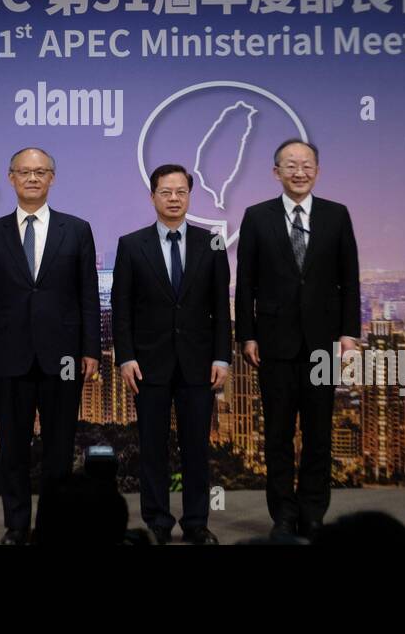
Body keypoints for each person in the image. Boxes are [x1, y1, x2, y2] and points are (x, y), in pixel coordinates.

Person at [0, 147, 102, 544]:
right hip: (8, 356)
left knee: (59, 449)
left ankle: (51, 525)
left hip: (63, 357)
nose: (32, 178)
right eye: (24, 172)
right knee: (12, 447)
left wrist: (91, 350)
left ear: (52, 178)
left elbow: (88, 296)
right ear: (10, 177)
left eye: (40, 171)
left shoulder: (77, 230)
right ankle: (16, 525)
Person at [235, 139, 360, 542]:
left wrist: (349, 333)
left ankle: (313, 512)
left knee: (320, 433)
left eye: (307, 165)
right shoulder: (256, 217)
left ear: (317, 171)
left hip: (322, 342)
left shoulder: (337, 216)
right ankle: (283, 515)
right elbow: (246, 283)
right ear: (276, 172)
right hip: (274, 343)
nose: (299, 172)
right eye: (291, 165)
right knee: (277, 435)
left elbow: (350, 279)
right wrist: (247, 335)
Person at [111, 163, 230, 544]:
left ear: (190, 196)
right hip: (148, 365)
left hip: (199, 364)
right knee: (152, 448)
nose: (174, 198)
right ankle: (158, 522)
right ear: (153, 196)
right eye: (166, 192)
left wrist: (221, 357)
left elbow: (220, 306)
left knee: (196, 447)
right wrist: (126, 356)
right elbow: (122, 307)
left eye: (181, 191)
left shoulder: (211, 242)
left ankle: (197, 523)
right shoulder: (131, 245)